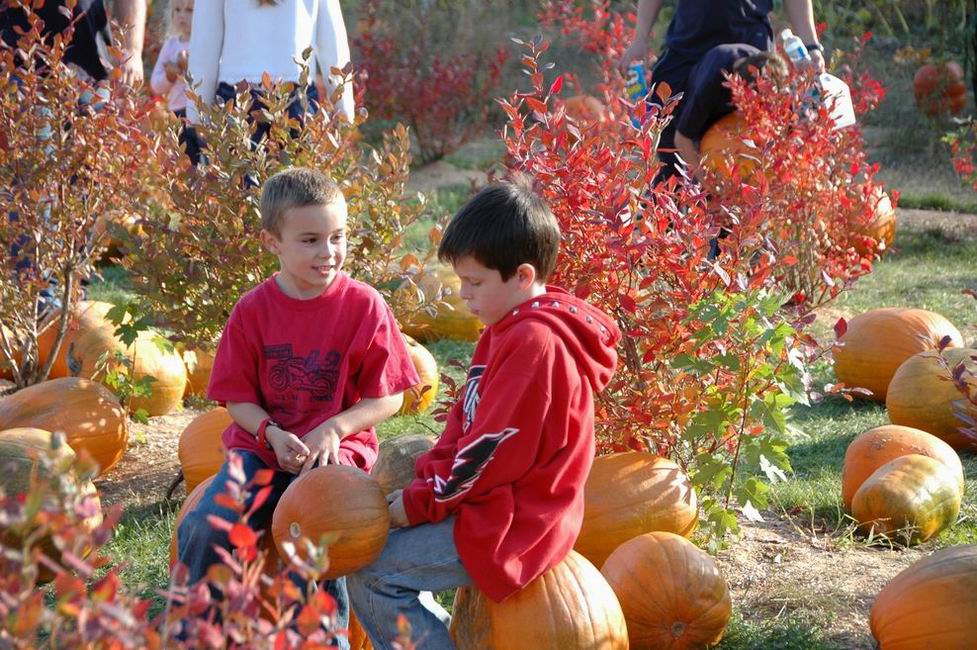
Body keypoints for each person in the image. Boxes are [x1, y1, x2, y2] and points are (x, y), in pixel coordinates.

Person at [347, 179, 622, 649]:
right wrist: (422, 486)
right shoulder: (504, 329)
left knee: (374, 574)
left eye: (474, 283)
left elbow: (488, 453)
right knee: (372, 551)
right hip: (492, 502)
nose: (464, 295)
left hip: (519, 521)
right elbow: (463, 424)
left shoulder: (534, 345)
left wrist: (417, 506)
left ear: (521, 275)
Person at [176, 168, 419, 647]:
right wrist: (268, 432)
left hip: (336, 457)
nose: (327, 253)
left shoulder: (364, 306)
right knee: (206, 526)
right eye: (310, 240)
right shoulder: (253, 311)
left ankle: (324, 640)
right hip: (262, 451)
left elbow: (389, 394)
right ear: (273, 242)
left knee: (321, 533)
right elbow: (237, 398)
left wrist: (336, 428)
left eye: (337, 237)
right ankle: (194, 634)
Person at [618, 0, 823, 181]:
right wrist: (640, 38)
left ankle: (729, 221)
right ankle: (673, 220)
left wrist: (811, 46)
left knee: (746, 161)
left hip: (749, 54)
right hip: (687, 46)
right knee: (671, 154)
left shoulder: (754, 68)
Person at [186, 0, 355, 126]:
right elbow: (332, 43)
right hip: (296, 98)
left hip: (237, 100)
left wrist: (197, 116)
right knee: (296, 171)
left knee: (236, 172)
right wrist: (344, 109)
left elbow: (204, 45)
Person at [673, 45, 787, 180]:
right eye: (749, 103)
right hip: (694, 110)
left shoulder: (764, 66)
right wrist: (705, 183)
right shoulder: (709, 87)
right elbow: (681, 138)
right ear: (740, 88)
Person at [149, 0, 192, 116]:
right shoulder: (170, 45)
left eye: (189, 10)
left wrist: (189, 67)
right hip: (177, 110)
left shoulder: (206, 44)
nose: (181, 15)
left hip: (200, 109)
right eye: (177, 10)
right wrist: (169, 77)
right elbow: (155, 85)